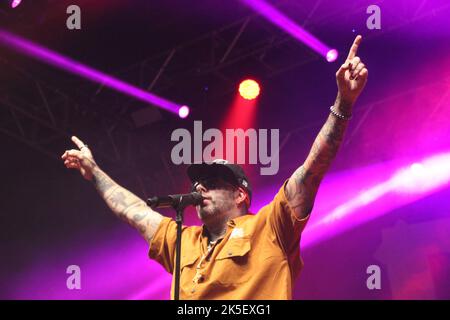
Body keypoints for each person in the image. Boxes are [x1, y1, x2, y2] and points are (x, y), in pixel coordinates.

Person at [61, 35, 368, 299]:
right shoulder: (183, 240)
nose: (200, 187)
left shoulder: (269, 226)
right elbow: (134, 212)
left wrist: (343, 103)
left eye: (213, 181)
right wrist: (95, 172)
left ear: (240, 196)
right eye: (199, 181)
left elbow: (311, 170)